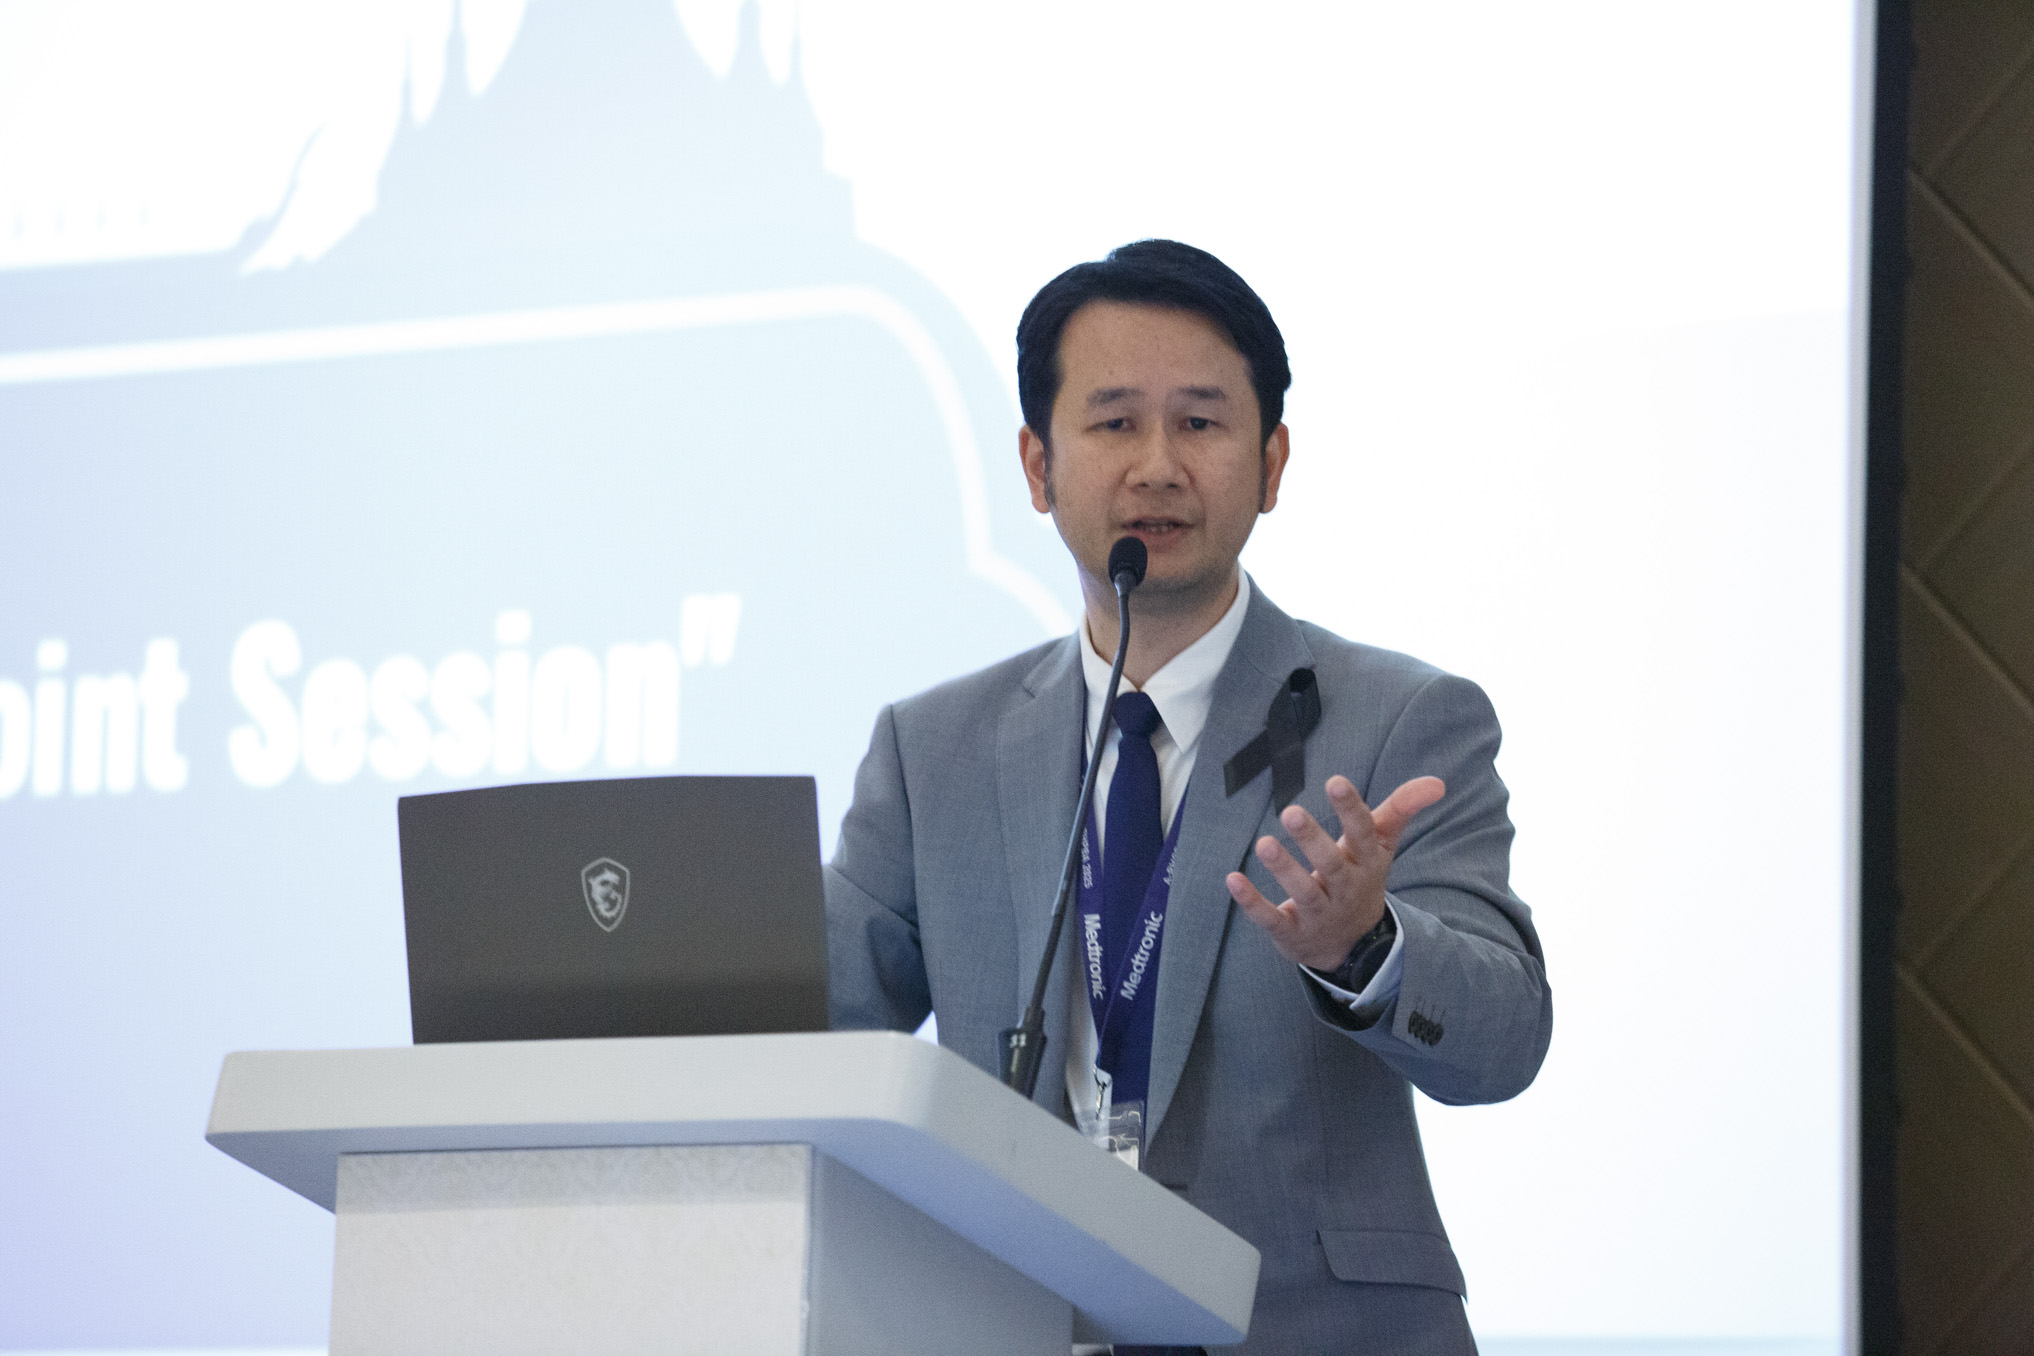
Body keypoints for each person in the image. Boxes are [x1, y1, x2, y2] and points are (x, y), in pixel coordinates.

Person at [825, 239, 1552, 1355]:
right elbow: (809, 1017)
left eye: (1201, 423)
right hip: (1016, 1325)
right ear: (1037, 466)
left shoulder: (1401, 719)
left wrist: (1365, 948)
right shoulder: (937, 752)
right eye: (1115, 422)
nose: (1157, 465)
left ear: (1271, 464)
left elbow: (1503, 1039)